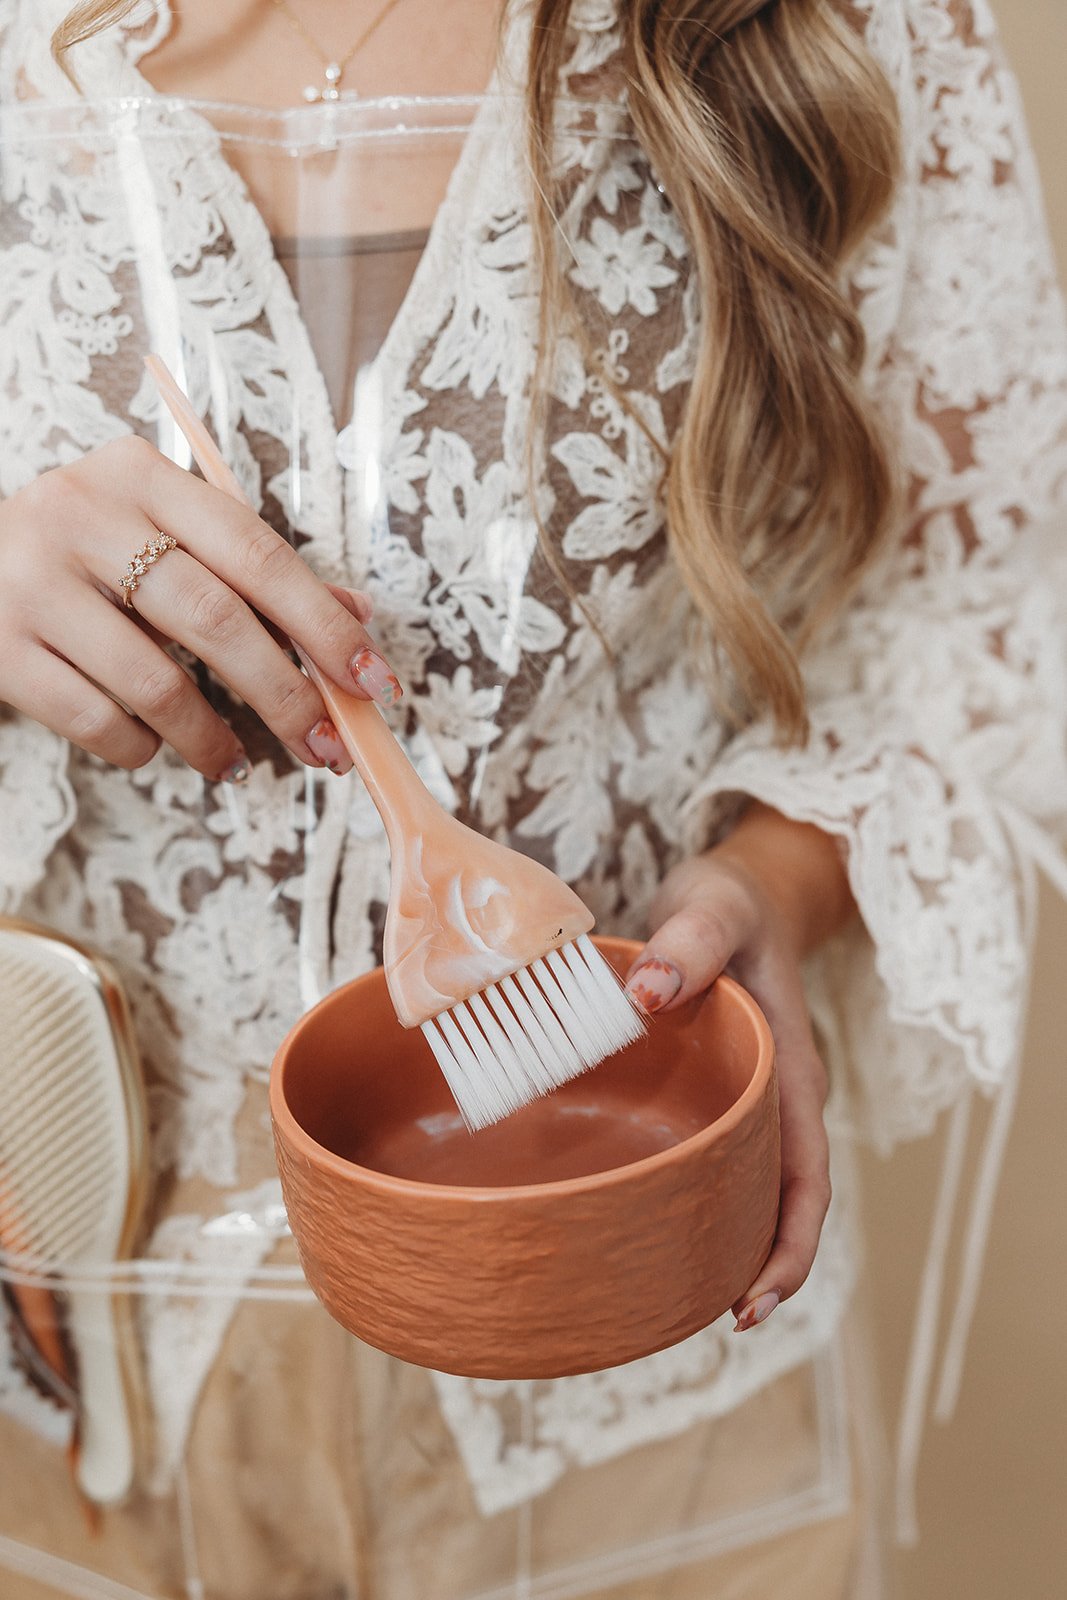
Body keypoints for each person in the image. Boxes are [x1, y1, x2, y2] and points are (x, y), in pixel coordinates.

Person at [0, 1, 1063, 1596]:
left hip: (640, 1353)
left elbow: (981, 612)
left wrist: (777, 881)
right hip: (79, 1339)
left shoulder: (860, 30)